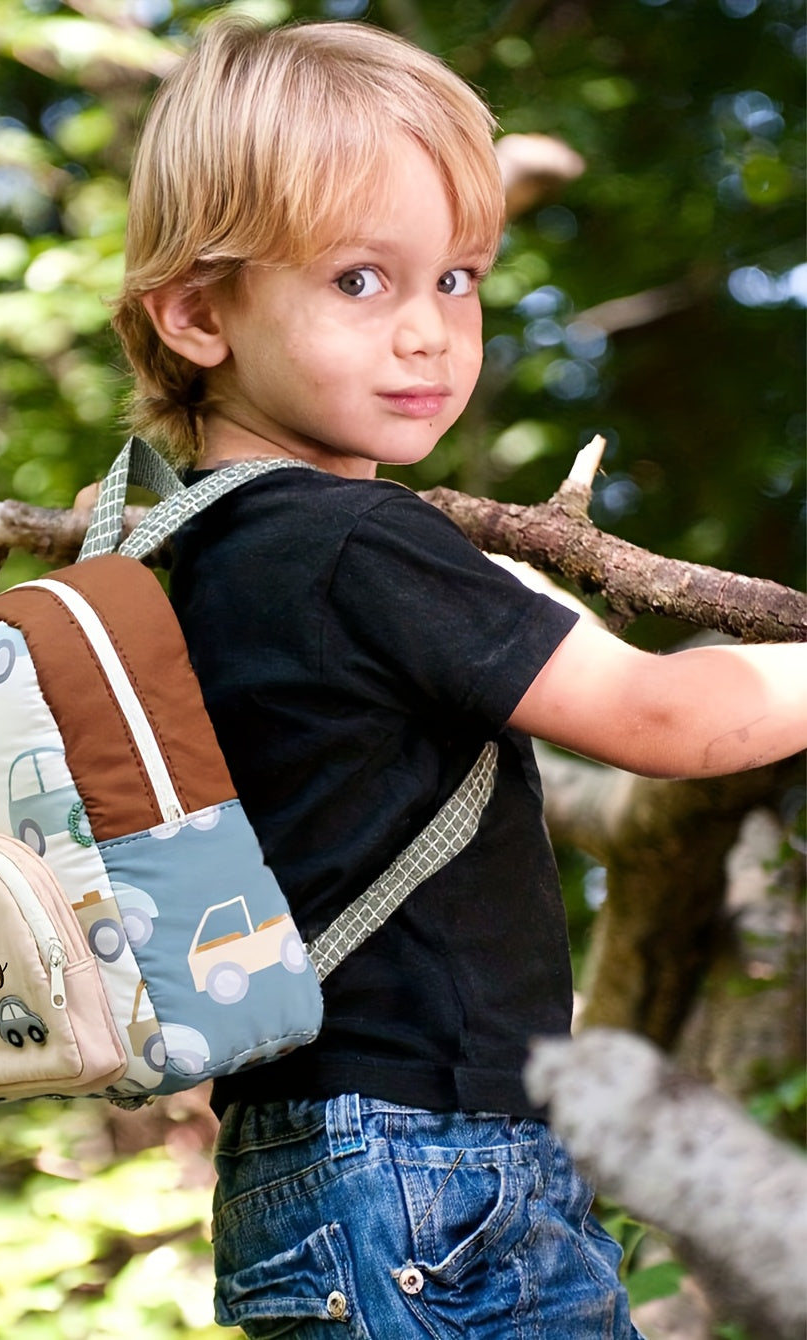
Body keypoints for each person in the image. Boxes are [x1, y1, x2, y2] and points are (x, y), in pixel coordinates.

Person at [109, 15, 807, 1340]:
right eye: (362, 282)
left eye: (459, 280)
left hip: (296, 1173)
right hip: (432, 1174)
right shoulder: (358, 544)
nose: (429, 332)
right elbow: (665, 716)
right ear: (199, 312)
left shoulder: (180, 549)